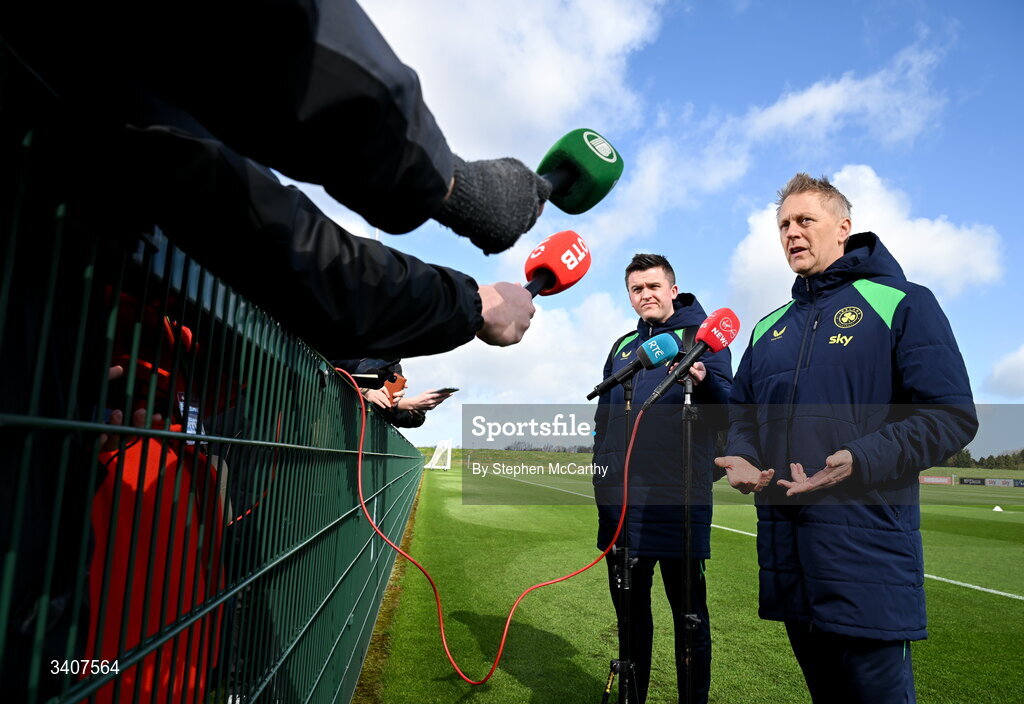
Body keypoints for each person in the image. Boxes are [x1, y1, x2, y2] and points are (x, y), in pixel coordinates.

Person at [715, 174, 978, 703]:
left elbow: (951, 415)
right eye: (784, 224)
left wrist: (859, 458)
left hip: (868, 556)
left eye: (805, 220)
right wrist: (741, 456)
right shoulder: (769, 329)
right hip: (790, 558)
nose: (792, 233)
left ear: (844, 228)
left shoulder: (903, 303)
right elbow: (741, 416)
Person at [592, 254, 732, 704]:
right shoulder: (621, 347)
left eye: (654, 286)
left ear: (673, 289)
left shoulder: (701, 336)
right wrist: (603, 486)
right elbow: (603, 423)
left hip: (677, 504)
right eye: (637, 289)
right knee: (630, 621)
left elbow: (730, 410)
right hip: (622, 505)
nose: (645, 295)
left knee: (689, 619)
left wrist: (706, 380)